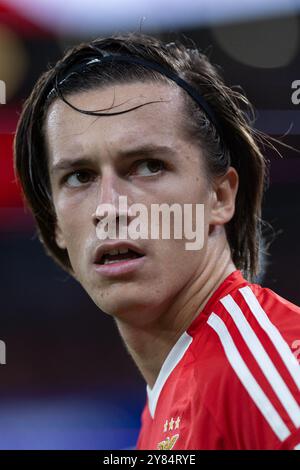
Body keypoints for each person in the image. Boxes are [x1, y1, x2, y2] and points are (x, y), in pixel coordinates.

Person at [14, 32, 300, 450]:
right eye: (79, 176)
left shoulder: (271, 379)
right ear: (54, 221)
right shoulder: (171, 397)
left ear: (219, 197)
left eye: (148, 166)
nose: (108, 208)